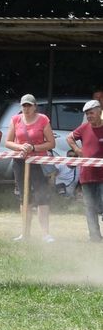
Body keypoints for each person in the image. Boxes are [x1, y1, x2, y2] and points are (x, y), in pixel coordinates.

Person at [4, 94, 56, 243]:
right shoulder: (15, 119)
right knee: (23, 196)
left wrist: (33, 147)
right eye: (24, 105)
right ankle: (25, 233)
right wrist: (21, 147)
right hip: (20, 162)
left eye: (29, 105)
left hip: (38, 162)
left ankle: (46, 234)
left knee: (42, 196)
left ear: (35, 106)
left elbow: (51, 143)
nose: (26, 108)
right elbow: (8, 142)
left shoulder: (43, 120)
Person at [66, 99, 103, 242]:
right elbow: (70, 137)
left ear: (99, 111)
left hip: (102, 176)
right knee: (89, 207)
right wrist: (77, 149)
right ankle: (94, 237)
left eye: (91, 113)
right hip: (87, 175)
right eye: (87, 114)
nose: (89, 116)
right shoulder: (84, 128)